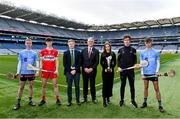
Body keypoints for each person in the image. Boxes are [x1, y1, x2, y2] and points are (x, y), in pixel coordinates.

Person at [13, 38, 39, 110]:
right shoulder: (21, 52)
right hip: (23, 73)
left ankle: (30, 101)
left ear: (31, 44)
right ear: (25, 44)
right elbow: (20, 63)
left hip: (31, 73)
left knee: (31, 87)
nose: (28, 44)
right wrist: (18, 72)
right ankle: (18, 103)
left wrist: (37, 71)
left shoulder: (34, 53)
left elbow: (37, 62)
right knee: (21, 87)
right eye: (27, 43)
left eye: (30, 43)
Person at [140, 38, 164, 112]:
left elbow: (158, 63)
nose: (148, 44)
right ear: (145, 43)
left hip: (153, 74)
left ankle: (160, 105)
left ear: (151, 43)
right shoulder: (142, 52)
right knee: (145, 88)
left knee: (157, 89)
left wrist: (157, 71)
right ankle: (145, 102)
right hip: (146, 73)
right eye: (146, 42)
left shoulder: (156, 52)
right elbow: (141, 64)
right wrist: (142, 74)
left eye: (149, 42)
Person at [38, 37, 61, 106]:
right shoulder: (42, 51)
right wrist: (40, 67)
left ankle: (57, 99)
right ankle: (43, 99)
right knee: (44, 85)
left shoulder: (55, 51)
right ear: (46, 42)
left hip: (52, 71)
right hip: (44, 71)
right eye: (47, 41)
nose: (49, 42)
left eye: (50, 41)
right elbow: (41, 60)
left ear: (52, 42)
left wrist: (56, 69)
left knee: (55, 85)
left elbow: (56, 61)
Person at [117, 35, 138, 108]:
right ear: (123, 41)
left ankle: (133, 100)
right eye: (125, 40)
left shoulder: (133, 50)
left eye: (128, 40)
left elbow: (135, 59)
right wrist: (119, 67)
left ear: (130, 41)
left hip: (131, 71)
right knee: (122, 86)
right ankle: (121, 100)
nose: (127, 41)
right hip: (123, 71)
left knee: (132, 86)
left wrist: (135, 64)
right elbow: (118, 60)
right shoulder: (120, 50)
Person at [81, 37, 99, 104]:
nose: (90, 42)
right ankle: (85, 98)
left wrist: (92, 68)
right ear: (87, 42)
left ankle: (93, 98)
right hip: (84, 70)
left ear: (93, 42)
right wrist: (85, 68)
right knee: (85, 84)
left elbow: (97, 62)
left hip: (93, 71)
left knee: (92, 84)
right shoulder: (83, 50)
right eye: (89, 41)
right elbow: (81, 61)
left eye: (92, 41)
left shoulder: (96, 51)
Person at [63, 39, 81, 106]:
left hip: (77, 72)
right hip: (68, 72)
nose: (71, 45)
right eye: (70, 44)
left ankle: (77, 100)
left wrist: (75, 70)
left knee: (77, 86)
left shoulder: (78, 52)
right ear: (68, 44)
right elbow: (65, 64)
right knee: (69, 86)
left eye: (72, 44)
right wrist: (70, 71)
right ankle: (69, 101)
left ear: (74, 44)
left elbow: (79, 63)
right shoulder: (65, 53)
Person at [100, 41, 116, 107]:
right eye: (106, 47)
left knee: (110, 85)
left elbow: (115, 62)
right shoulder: (103, 54)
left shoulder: (113, 53)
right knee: (105, 85)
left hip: (111, 72)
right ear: (104, 47)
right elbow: (101, 62)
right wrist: (105, 68)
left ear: (110, 47)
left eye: (108, 46)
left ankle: (108, 98)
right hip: (105, 72)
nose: (107, 48)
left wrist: (112, 68)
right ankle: (104, 99)